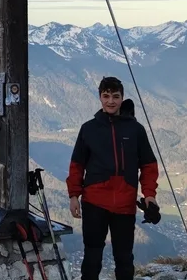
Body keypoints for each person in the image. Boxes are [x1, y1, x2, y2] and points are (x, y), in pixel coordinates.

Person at [66, 77, 158, 280]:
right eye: (106, 96)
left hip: (125, 204)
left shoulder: (136, 130)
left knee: (124, 260)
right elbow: (76, 166)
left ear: (122, 98)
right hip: (94, 203)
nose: (110, 101)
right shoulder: (88, 129)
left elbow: (149, 166)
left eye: (115, 97)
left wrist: (149, 196)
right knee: (92, 259)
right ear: (99, 97)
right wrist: (74, 195)